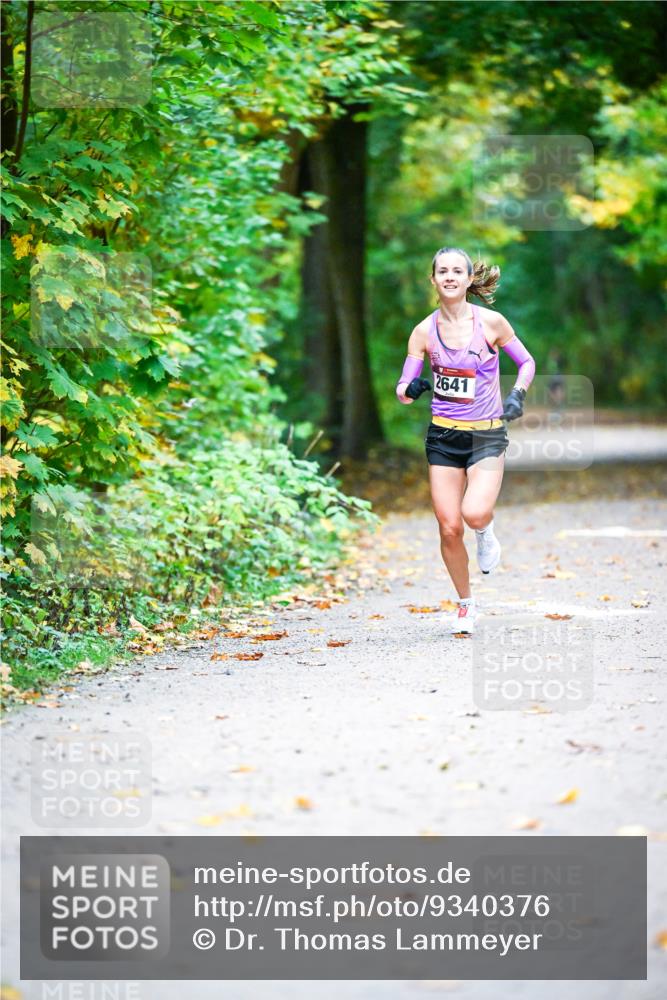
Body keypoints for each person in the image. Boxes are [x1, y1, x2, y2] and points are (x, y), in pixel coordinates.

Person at [396, 247, 535, 635]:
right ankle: (465, 604)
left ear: (469, 279)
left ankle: (486, 531)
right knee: (448, 526)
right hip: (443, 436)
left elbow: (527, 362)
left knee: (473, 515)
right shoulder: (424, 331)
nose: (450, 276)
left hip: (487, 435)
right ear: (434, 280)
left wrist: (517, 394)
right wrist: (414, 386)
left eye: (458, 270)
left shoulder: (491, 323)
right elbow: (403, 389)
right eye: (443, 271)